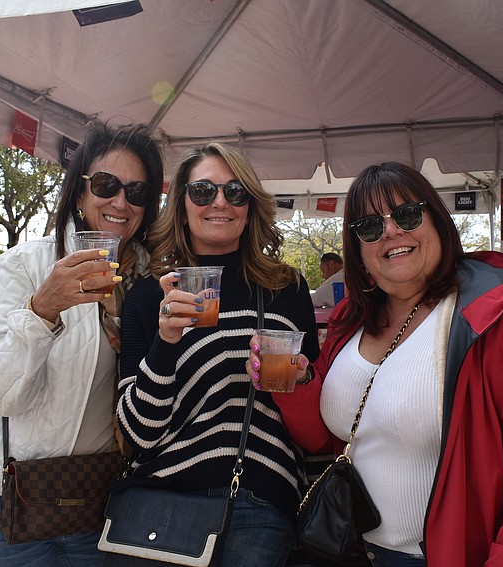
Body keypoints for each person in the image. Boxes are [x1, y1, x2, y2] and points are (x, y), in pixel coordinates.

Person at [250, 162, 503, 567]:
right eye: (370, 227)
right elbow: (325, 438)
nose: (391, 231)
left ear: (438, 220)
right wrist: (295, 381)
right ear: (358, 251)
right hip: (349, 549)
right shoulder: (351, 320)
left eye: (407, 214)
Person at [0, 122, 164, 566]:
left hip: (88, 500)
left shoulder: (152, 283)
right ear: (79, 192)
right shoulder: (28, 263)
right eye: (106, 185)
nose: (120, 201)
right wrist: (42, 310)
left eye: (136, 192)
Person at [117, 142, 320, 567]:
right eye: (203, 191)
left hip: (260, 494)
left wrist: (298, 380)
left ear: (250, 205)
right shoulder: (149, 295)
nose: (220, 203)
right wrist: (165, 342)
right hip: (164, 497)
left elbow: (315, 411)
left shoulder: (287, 289)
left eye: (236, 192)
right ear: (182, 203)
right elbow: (139, 436)